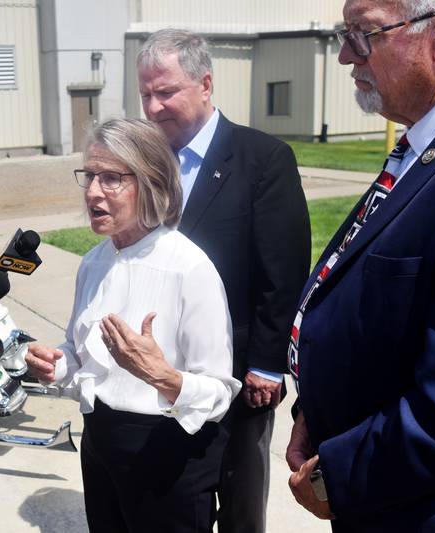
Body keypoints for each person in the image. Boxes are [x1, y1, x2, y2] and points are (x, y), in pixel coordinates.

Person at [286, 1, 435, 530]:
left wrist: (336, 475)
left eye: (364, 35)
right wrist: (311, 415)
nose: (345, 55)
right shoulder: (421, 150)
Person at [26, 117, 240, 532]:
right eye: (88, 176)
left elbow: (218, 392)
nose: (92, 192)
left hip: (167, 454)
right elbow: (78, 348)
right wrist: (58, 363)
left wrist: (162, 377)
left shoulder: (189, 269)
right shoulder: (93, 263)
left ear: (151, 183)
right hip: (101, 443)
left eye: (110, 178)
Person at [136, 28, 311, 532]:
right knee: (176, 493)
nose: (152, 107)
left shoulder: (263, 160)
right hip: (165, 366)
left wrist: (267, 365)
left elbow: (283, 271)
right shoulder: (146, 162)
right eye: (146, 93)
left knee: (238, 500)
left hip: (239, 375)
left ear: (205, 84)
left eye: (165, 92)